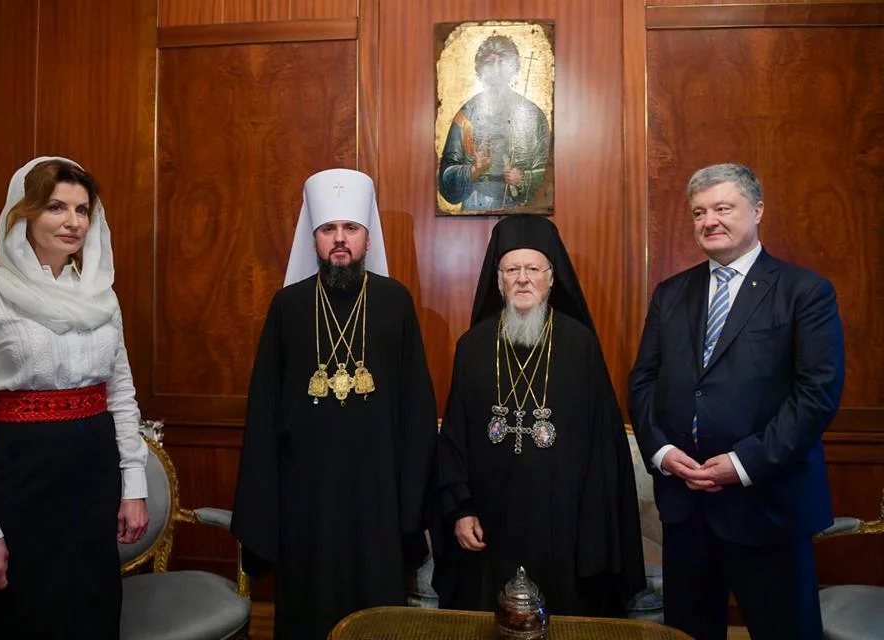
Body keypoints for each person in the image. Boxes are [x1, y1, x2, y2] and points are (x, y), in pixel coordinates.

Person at [628, 163, 845, 640]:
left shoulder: (804, 291)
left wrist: (743, 463)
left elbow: (817, 394)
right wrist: (662, 451)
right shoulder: (670, 294)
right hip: (686, 507)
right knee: (687, 634)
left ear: (758, 210)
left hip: (768, 505)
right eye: (699, 212)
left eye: (723, 208)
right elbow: (643, 381)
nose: (710, 221)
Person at [0, 157, 149, 639]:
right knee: (25, 619)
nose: (73, 221)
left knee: (94, 616)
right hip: (21, 485)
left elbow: (121, 396)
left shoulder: (102, 298)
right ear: (25, 211)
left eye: (82, 209)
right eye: (56, 207)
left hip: (95, 482)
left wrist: (133, 486)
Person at [230, 168, 438, 639]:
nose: (340, 239)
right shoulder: (287, 306)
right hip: (306, 496)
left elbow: (417, 412)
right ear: (315, 238)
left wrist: (410, 505)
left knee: (377, 617)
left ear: (367, 237)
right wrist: (266, 507)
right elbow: (263, 412)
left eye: (350, 228)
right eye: (328, 229)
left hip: (378, 495)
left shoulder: (395, 302)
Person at [434, 214, 644, 616]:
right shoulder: (472, 346)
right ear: (498, 281)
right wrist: (461, 510)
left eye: (533, 269)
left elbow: (602, 447)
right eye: (512, 270)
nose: (522, 279)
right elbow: (454, 439)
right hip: (488, 525)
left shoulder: (580, 345)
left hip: (564, 526)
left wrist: (591, 526)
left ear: (551, 278)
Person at [438, 35, 551, 211]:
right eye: (490, 63)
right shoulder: (466, 116)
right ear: (480, 70)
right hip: (476, 205)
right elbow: (446, 177)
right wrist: (474, 170)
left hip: (520, 210)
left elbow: (548, 172)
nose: (496, 70)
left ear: (512, 68)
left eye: (502, 62)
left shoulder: (532, 115)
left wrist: (523, 178)